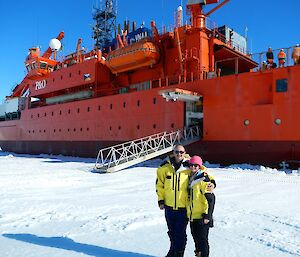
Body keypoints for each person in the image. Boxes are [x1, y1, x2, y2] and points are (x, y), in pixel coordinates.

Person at [156, 144, 191, 257]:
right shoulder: (164, 167)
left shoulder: (189, 166)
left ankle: (179, 254)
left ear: (184, 152)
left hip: (183, 207)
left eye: (181, 152)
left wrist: (211, 182)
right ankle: (173, 252)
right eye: (177, 152)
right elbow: (159, 185)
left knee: (180, 233)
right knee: (171, 232)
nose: (179, 154)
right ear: (173, 152)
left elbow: (203, 173)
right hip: (169, 207)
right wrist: (161, 200)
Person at [186, 155, 216, 257]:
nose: (193, 167)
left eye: (195, 165)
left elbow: (211, 199)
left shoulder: (203, 179)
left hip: (202, 217)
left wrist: (208, 216)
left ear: (199, 166)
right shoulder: (190, 177)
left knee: (202, 242)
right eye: (191, 165)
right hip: (192, 216)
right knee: (196, 241)